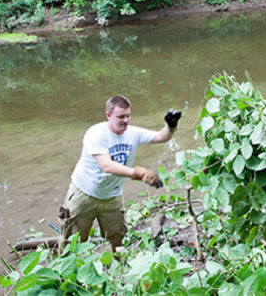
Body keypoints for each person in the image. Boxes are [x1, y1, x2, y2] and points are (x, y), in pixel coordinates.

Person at [58, 95, 182, 251]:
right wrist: (140, 173)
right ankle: (64, 275)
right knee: (72, 241)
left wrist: (170, 126)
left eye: (128, 116)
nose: (126, 120)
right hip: (84, 194)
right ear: (108, 116)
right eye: (121, 117)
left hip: (112, 197)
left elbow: (161, 137)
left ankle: (118, 268)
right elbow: (107, 166)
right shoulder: (96, 133)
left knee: (117, 237)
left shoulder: (132, 133)